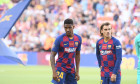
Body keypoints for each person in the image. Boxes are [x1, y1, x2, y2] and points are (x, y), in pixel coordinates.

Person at [50, 18, 82, 84]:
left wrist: (77, 71)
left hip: (71, 69)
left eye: (69, 27)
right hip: (60, 68)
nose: (67, 30)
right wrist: (54, 72)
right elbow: (52, 55)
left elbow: (77, 54)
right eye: (65, 28)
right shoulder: (59, 39)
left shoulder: (78, 39)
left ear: (73, 27)